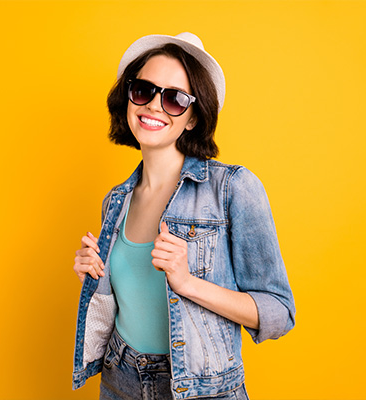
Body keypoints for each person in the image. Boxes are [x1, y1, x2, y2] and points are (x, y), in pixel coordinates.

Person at [71, 32, 296, 400]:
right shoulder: (116, 201)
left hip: (200, 389)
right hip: (119, 379)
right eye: (144, 90)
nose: (155, 107)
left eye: (175, 99)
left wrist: (187, 282)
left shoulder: (232, 188)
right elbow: (131, 301)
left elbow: (279, 313)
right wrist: (94, 272)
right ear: (129, 97)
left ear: (193, 118)